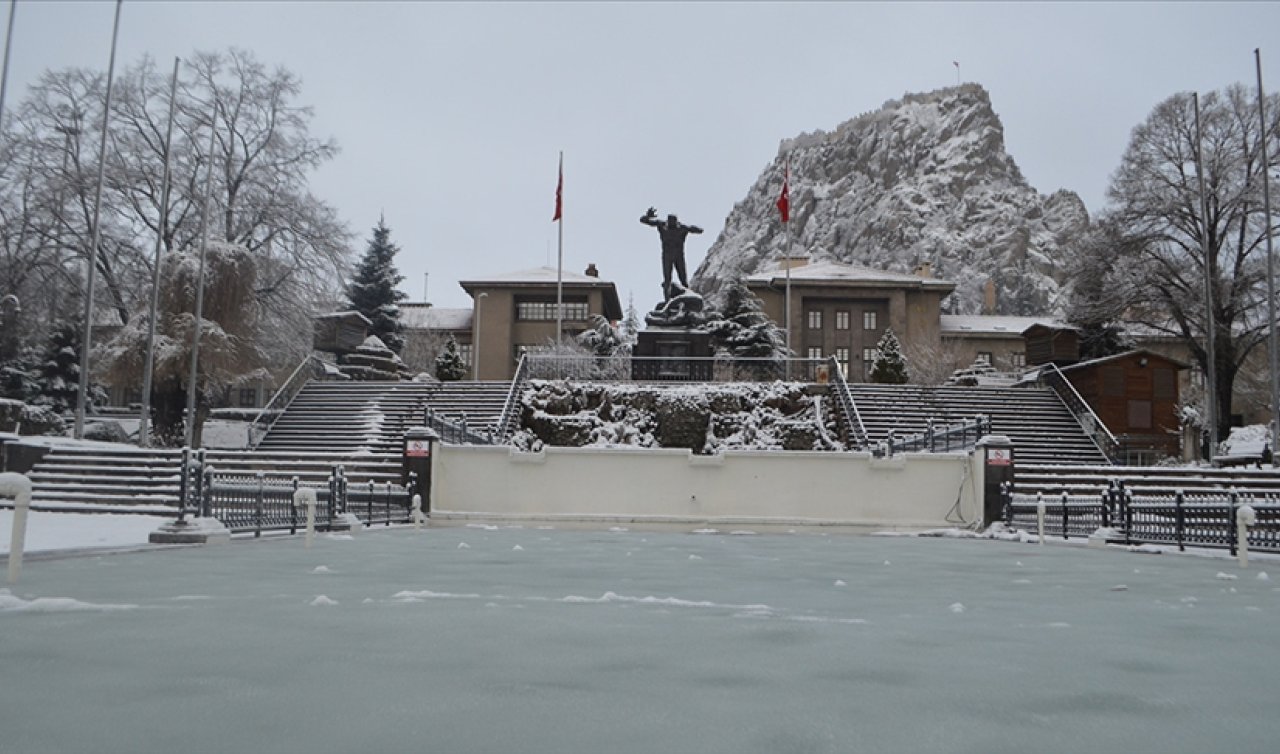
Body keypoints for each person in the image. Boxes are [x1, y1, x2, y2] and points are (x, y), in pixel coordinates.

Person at [640, 207, 702, 300]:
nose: (671, 226)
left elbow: (699, 230)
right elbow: (643, 220)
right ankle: (667, 301)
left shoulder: (681, 228)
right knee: (667, 280)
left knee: (683, 280)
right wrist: (648, 216)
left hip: (678, 256)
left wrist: (691, 228)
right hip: (667, 256)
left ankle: (687, 299)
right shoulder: (662, 225)